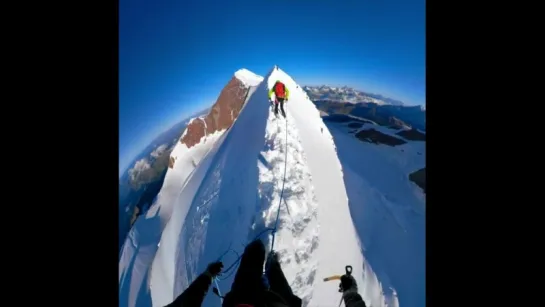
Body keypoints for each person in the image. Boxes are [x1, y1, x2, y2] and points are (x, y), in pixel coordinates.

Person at [164, 239, 301, 307]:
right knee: (256, 250)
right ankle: (271, 265)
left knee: (255, 252)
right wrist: (207, 275)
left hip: (241, 299)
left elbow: (186, 303)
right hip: (248, 299)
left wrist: (207, 275)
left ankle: (271, 265)